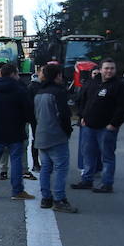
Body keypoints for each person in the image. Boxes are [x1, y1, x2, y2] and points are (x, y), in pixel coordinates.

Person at [73, 59, 124, 193]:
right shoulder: (92, 83)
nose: (109, 71)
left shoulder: (119, 86)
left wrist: (114, 124)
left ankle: (107, 183)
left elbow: (123, 107)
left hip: (106, 128)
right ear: (100, 69)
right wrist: (82, 117)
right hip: (88, 126)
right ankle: (87, 179)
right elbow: (82, 100)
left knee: (107, 156)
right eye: (106, 68)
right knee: (88, 154)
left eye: (112, 68)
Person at [0, 63, 35, 200]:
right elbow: (28, 111)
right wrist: (25, 122)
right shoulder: (19, 89)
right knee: (16, 160)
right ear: (12, 74)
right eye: (17, 73)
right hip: (15, 130)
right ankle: (17, 191)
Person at [33, 63, 77, 212]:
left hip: (41, 135)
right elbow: (64, 115)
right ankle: (59, 199)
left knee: (45, 168)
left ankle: (46, 198)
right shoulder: (58, 92)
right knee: (60, 168)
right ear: (57, 76)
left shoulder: (39, 92)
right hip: (56, 136)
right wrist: (67, 131)